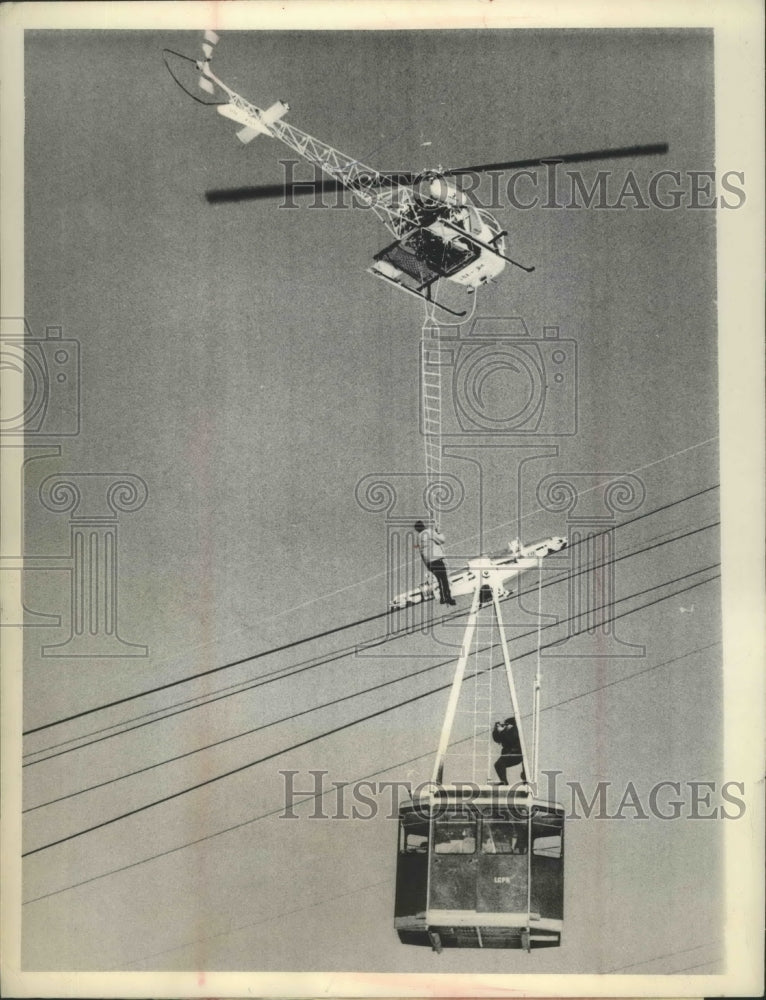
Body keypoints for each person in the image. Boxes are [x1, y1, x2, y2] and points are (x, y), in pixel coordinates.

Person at [414, 520, 456, 605]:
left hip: (429, 562)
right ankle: (446, 597)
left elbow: (421, 553)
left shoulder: (419, 538)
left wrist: (427, 565)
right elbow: (441, 540)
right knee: (444, 579)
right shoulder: (428, 532)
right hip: (436, 559)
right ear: (423, 526)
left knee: (440, 579)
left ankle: (443, 597)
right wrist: (438, 532)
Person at [492, 716, 526, 784]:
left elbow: (509, 738)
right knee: (498, 764)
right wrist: (496, 730)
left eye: (506, 725)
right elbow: (497, 739)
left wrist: (501, 731)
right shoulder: (507, 732)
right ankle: (504, 782)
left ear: (511, 725)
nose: (505, 726)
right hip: (511, 754)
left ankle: (524, 778)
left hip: (516, 753)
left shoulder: (515, 729)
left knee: (499, 764)